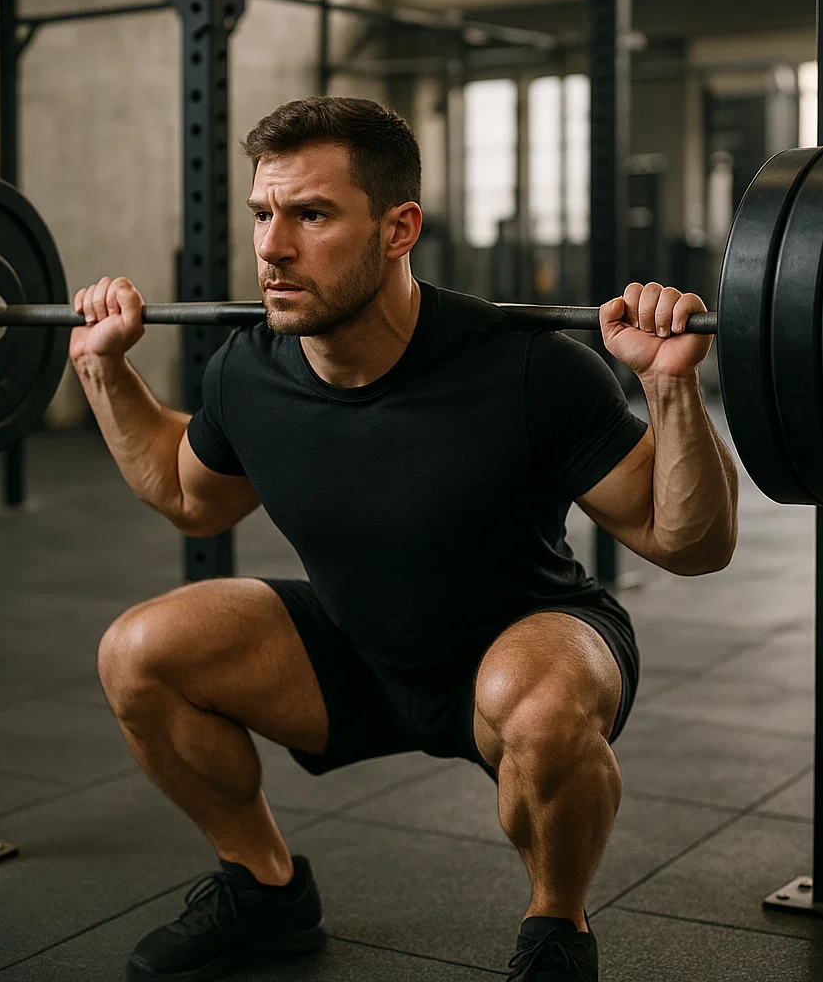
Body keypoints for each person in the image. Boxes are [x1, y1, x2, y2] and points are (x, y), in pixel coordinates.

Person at [70, 96, 738, 982]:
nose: (272, 247)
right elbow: (192, 499)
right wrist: (101, 367)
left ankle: (556, 929)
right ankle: (264, 888)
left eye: (311, 216)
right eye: (264, 215)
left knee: (537, 707)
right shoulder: (248, 372)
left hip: (525, 641)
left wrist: (671, 389)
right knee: (139, 653)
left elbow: (687, 541)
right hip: (353, 652)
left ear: (398, 228)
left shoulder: (526, 367)